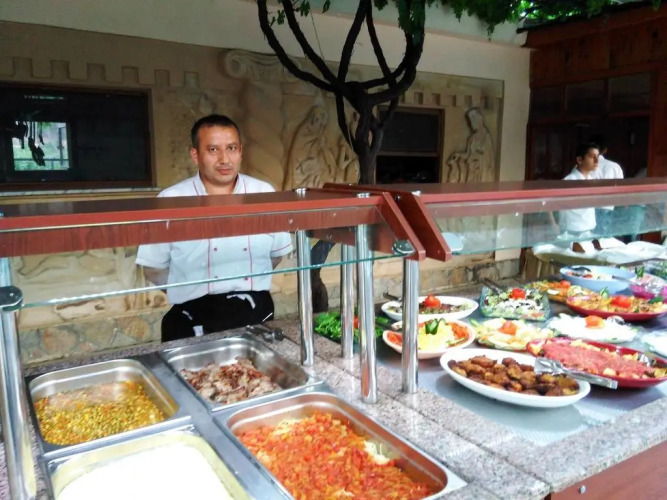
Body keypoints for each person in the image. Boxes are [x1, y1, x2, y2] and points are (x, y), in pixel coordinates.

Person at [135, 114, 293, 342]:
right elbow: (153, 269)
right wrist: (187, 291)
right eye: (213, 150)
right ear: (195, 155)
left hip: (254, 312)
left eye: (231, 148)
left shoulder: (264, 193)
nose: (224, 159)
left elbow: (276, 255)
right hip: (191, 315)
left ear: (241, 151)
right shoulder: (171, 199)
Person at [554, 142, 600, 235]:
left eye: (597, 156)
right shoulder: (569, 181)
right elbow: (550, 205)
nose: (596, 160)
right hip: (572, 230)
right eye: (592, 156)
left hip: (589, 229)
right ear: (579, 160)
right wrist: (554, 225)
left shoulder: (591, 180)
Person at [589, 134, 623, 235]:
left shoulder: (584, 165)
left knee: (587, 239)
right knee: (602, 239)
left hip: (587, 207)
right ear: (605, 150)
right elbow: (621, 190)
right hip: (606, 207)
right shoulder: (614, 167)